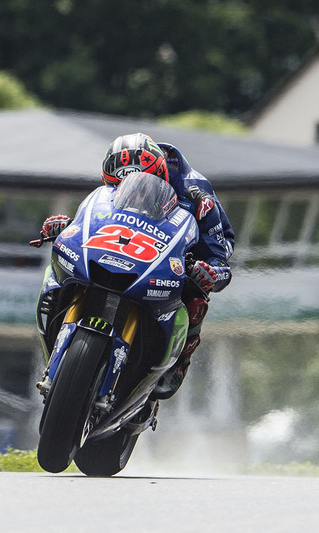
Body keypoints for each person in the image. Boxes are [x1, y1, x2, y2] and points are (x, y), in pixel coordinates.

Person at [40, 132, 235, 399]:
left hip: (192, 244)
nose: (134, 192)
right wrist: (69, 225)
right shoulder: (110, 190)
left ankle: (179, 363)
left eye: (141, 186)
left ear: (159, 174)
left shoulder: (196, 194)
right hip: (124, 244)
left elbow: (219, 251)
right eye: (121, 187)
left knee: (196, 290)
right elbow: (98, 216)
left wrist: (212, 271)